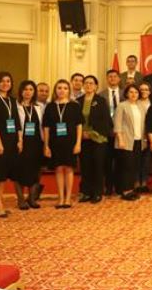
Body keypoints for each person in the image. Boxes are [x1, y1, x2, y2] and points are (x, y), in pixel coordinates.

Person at [43, 79, 82, 209]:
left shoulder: (74, 106)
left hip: (70, 142)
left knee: (69, 168)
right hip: (55, 142)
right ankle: (60, 198)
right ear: (55, 90)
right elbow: (46, 128)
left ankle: (68, 198)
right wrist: (46, 145)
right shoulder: (50, 107)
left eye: (65, 88)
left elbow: (79, 126)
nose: (62, 90)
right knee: (59, 169)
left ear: (69, 91)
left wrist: (78, 143)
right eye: (59, 88)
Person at [0, 72, 21, 217]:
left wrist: (20, 140)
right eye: (2, 81)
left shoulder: (12, 100)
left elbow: (17, 121)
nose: (5, 84)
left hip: (11, 141)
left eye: (8, 81)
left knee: (2, 175)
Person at [77, 75, 111, 205]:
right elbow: (75, 120)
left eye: (91, 83)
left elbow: (105, 120)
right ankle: (86, 192)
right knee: (85, 166)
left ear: (96, 86)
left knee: (98, 165)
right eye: (86, 83)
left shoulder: (101, 101)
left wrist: (91, 133)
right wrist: (82, 133)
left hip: (98, 138)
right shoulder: (78, 101)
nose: (88, 85)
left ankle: (97, 192)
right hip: (82, 138)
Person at [15, 80, 44, 209]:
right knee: (19, 170)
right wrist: (18, 141)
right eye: (25, 89)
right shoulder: (15, 106)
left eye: (31, 89)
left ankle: (31, 198)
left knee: (35, 170)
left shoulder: (39, 107)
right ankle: (21, 199)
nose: (28, 92)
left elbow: (43, 126)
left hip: (36, 143)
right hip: (21, 142)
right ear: (21, 91)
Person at [113, 85, 144, 201]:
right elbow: (117, 124)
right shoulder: (122, 105)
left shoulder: (140, 106)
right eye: (131, 92)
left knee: (134, 166)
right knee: (126, 166)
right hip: (126, 141)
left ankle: (131, 189)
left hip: (138, 140)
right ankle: (125, 191)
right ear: (126, 94)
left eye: (136, 92)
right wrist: (120, 139)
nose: (134, 94)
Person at [103, 69, 123, 196]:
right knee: (107, 161)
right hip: (107, 133)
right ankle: (109, 186)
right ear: (107, 79)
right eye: (110, 76)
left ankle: (120, 186)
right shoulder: (101, 95)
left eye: (115, 76)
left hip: (122, 133)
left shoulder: (125, 93)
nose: (113, 78)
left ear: (119, 79)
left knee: (120, 161)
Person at [136, 81, 152, 193]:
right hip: (138, 135)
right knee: (137, 159)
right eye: (141, 89)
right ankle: (137, 182)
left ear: (150, 91)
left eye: (146, 89)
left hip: (151, 135)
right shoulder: (135, 103)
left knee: (147, 160)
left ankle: (144, 182)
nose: (144, 91)